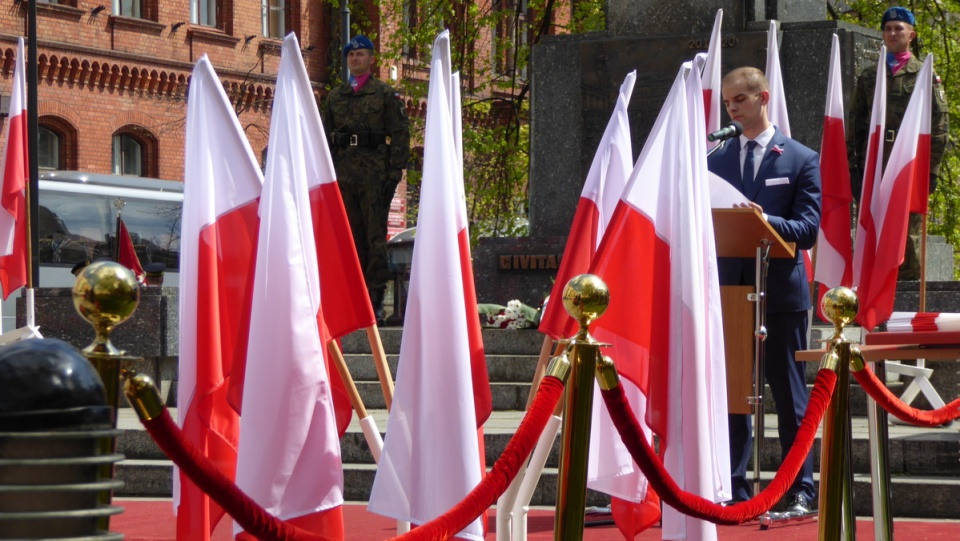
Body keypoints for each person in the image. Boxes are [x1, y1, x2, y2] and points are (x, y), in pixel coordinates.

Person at [708, 67, 822, 514]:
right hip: (732, 294)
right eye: (727, 102)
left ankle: (800, 491)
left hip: (780, 296)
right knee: (735, 393)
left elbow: (808, 230)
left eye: (739, 99)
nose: (732, 108)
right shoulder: (713, 159)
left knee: (789, 397)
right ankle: (733, 488)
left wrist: (765, 220)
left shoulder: (799, 158)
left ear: (763, 97)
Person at [846, 6, 948, 281]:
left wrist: (932, 171)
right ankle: (873, 296)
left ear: (911, 35)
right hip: (876, 163)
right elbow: (855, 124)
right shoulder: (870, 75)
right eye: (888, 28)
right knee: (874, 230)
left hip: (909, 163)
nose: (892, 33)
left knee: (907, 234)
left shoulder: (924, 74)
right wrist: (854, 168)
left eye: (898, 28)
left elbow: (939, 126)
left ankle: (907, 297)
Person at [321, 35, 410, 324]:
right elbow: (323, 138)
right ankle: (352, 298)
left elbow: (399, 133)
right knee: (350, 238)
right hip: (345, 175)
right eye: (351, 55)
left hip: (375, 174)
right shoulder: (335, 97)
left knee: (374, 237)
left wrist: (395, 171)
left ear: (371, 59)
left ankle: (375, 299)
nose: (355, 59)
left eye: (360, 54)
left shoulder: (385, 95)